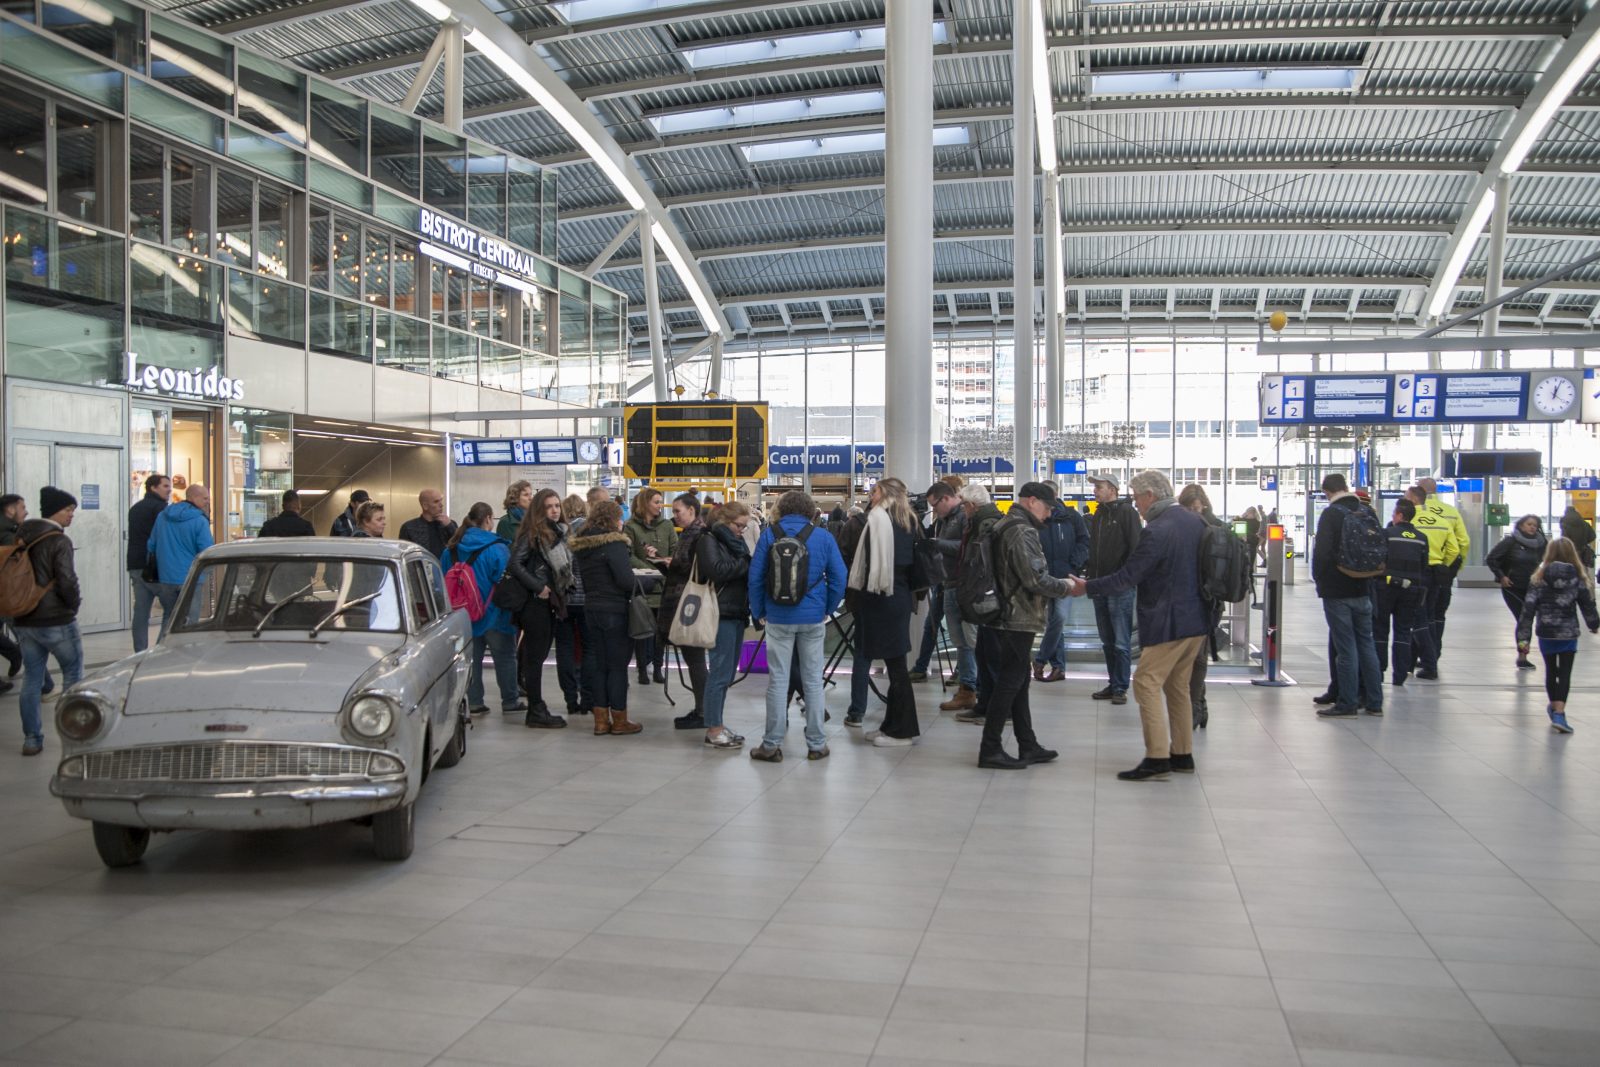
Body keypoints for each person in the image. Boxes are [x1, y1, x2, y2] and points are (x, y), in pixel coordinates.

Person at [1071, 471, 1209, 781]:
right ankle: (1182, 754)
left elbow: (1129, 576)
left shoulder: (1158, 530)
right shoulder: (1195, 521)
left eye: (1136, 499)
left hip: (1168, 620)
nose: (1136, 505)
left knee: (1146, 682)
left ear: (1150, 495)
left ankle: (1157, 758)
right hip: (1197, 619)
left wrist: (1087, 586)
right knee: (1177, 686)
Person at [748, 490, 849, 762]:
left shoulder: (769, 535)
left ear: (781, 509)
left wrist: (759, 611)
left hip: (778, 618)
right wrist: (827, 608)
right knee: (813, 680)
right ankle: (817, 744)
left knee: (778, 681)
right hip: (813, 617)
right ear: (809, 511)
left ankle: (771, 745)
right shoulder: (823, 537)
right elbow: (840, 578)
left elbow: (755, 578)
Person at [977, 483, 1072, 770]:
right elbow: (1034, 579)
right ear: (1032, 501)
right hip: (1017, 615)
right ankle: (990, 748)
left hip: (1005, 613)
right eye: (1048, 507)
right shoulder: (1021, 530)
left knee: (1017, 681)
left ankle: (1027, 744)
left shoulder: (1005, 524)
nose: (1049, 514)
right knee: (1010, 682)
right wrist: (1067, 587)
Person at [851, 477, 922, 747]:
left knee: (897, 667)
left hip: (884, 597)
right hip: (896, 596)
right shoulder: (908, 521)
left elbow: (874, 564)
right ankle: (891, 726)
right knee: (896, 665)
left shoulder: (880, 519)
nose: (871, 495)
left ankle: (902, 731)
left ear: (885, 493)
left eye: (875, 490)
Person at [14, 487, 83, 756]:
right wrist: (73, 605)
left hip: (25, 619)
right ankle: (74, 738)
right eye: (68, 510)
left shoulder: (22, 536)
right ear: (55, 511)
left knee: (31, 680)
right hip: (56, 620)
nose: (71, 515)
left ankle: (32, 739)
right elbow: (67, 580)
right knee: (73, 676)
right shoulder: (58, 540)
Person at [1311, 473, 1383, 718]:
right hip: (1364, 587)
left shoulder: (1331, 514)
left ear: (1327, 492)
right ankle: (1374, 702)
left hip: (1337, 589)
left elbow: (1322, 552)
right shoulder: (1367, 511)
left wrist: (1320, 580)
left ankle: (1347, 702)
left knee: (1346, 648)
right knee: (1367, 645)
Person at [442, 504, 524, 716]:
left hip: (462, 617)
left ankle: (475, 702)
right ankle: (510, 700)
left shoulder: (451, 549)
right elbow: (506, 582)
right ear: (488, 519)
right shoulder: (497, 548)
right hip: (495, 614)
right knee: (505, 658)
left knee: (471, 660)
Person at [570, 499, 642, 736]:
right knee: (617, 667)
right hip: (614, 609)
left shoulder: (582, 545)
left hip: (591, 608)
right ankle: (620, 720)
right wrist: (646, 582)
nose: (622, 522)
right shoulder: (614, 543)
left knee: (600, 666)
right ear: (613, 519)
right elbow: (625, 580)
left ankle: (600, 721)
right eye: (620, 518)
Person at [508, 488, 574, 728]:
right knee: (535, 657)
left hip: (551, 601)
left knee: (539, 654)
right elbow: (514, 564)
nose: (555, 511)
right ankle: (536, 709)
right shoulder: (533, 533)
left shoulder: (559, 533)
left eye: (557, 506)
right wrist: (539, 587)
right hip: (535, 602)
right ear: (539, 510)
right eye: (549, 507)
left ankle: (537, 707)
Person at [1517, 537, 1597, 735]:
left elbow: (1528, 610)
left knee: (1551, 671)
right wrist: (1594, 624)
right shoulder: (1578, 576)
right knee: (1565, 674)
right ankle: (1559, 713)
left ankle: (1554, 707)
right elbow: (1587, 605)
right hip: (1568, 633)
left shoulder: (1538, 577)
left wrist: (1523, 639)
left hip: (1546, 632)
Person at [695, 501, 753, 749]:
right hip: (719, 612)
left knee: (727, 673)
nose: (741, 530)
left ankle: (717, 723)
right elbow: (717, 571)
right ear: (725, 522)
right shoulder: (708, 540)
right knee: (719, 673)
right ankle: (713, 729)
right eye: (739, 525)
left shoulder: (735, 542)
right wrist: (745, 563)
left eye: (744, 527)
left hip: (735, 611)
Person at [1085, 472, 1141, 706]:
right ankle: (1114, 682)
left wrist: (1125, 579)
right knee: (1107, 641)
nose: (1095, 491)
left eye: (1100, 487)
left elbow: (1136, 548)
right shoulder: (1098, 515)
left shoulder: (1127, 513)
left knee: (1120, 641)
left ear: (1113, 489)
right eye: (1096, 487)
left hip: (1119, 588)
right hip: (1100, 585)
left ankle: (1120, 686)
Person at [953, 483, 1006, 724]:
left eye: (964, 505)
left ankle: (996, 709)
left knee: (992, 656)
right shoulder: (979, 524)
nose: (963, 510)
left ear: (972, 505)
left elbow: (986, 565)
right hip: (982, 596)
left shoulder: (988, 525)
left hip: (989, 598)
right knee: (983, 653)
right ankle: (985, 704)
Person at [659, 494, 710, 730]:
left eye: (678, 511)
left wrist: (673, 564)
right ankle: (702, 709)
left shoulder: (697, 535)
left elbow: (694, 568)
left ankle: (704, 711)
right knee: (693, 659)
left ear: (692, 510)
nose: (675, 515)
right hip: (686, 602)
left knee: (695, 659)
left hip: (689, 604)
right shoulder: (691, 533)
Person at [1373, 499, 1435, 687]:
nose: (1392, 517)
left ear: (1400, 515)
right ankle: (1400, 675)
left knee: (1381, 630)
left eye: (1394, 514)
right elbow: (1424, 566)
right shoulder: (1422, 538)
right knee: (1403, 631)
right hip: (1411, 591)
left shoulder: (1387, 534)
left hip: (1386, 588)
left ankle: (1379, 671)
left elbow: (1379, 559)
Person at [1178, 484, 1225, 729]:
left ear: (1204, 505)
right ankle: (1200, 705)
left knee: (1197, 657)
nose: (1193, 512)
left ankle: (1195, 706)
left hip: (1206, 601)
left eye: (1195, 508)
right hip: (1194, 600)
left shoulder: (1212, 528)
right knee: (1194, 656)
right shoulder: (1189, 528)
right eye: (1188, 508)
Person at [1035, 484, 1089, 683]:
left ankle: (1040, 659)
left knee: (1058, 618)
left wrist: (1074, 565)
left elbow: (1084, 541)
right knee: (1053, 623)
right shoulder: (1038, 519)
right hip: (1043, 578)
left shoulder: (1071, 516)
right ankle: (1058, 667)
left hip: (1066, 578)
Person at [1403, 484, 1458, 678]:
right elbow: (1455, 549)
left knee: (1416, 618)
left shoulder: (1408, 520)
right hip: (1435, 573)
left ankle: (1421, 662)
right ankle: (1428, 657)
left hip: (1415, 573)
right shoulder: (1442, 521)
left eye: (1406, 497)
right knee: (1431, 616)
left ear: (1414, 499)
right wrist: (1443, 564)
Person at [623, 487, 677, 685]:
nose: (660, 505)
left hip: (664, 587)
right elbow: (628, 555)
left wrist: (665, 562)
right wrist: (651, 568)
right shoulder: (630, 527)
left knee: (661, 632)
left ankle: (657, 667)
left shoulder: (667, 526)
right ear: (645, 503)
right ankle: (641, 669)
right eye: (656, 501)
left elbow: (675, 549)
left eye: (660, 501)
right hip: (643, 587)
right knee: (642, 630)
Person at [147, 484, 214, 640]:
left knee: (169, 617)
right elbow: (207, 550)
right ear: (194, 497)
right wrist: (207, 572)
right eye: (205, 498)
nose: (207, 501)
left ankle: (162, 649)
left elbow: (151, 545)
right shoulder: (199, 520)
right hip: (191, 578)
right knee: (191, 620)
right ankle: (187, 651)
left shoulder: (162, 516)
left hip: (166, 577)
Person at [1487, 514, 1548, 671]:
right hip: (1513, 587)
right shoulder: (1510, 542)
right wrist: (1502, 576)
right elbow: (1491, 559)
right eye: (1529, 524)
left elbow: (1547, 561)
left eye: (1535, 525)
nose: (1532, 527)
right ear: (1521, 525)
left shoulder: (1541, 543)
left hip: (1532, 587)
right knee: (1523, 619)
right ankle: (1522, 656)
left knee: (1527, 620)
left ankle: (1524, 655)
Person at [1415, 477, 1469, 655]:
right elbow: (1464, 542)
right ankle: (1435, 651)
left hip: (1419, 570)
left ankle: (1420, 653)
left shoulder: (1413, 513)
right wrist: (1451, 569)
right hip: (1443, 571)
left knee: (1420, 613)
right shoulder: (1451, 511)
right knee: (1438, 613)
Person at [909, 481, 956, 683]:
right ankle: (921, 667)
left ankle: (964, 675)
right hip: (941, 579)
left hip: (955, 580)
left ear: (946, 497)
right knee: (931, 626)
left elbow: (965, 547)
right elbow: (926, 537)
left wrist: (939, 544)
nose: (933, 509)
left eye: (935, 505)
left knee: (958, 631)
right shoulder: (941, 521)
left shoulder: (960, 518)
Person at [126, 472, 171, 653]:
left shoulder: (135, 508)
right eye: (165, 486)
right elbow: (163, 537)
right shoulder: (161, 509)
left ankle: (140, 651)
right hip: (155, 565)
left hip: (135, 563)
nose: (169, 490)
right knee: (171, 608)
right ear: (153, 487)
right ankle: (160, 649)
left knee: (141, 611)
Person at [559, 493, 595, 715]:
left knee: (564, 648)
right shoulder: (590, 532)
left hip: (564, 598)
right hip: (587, 598)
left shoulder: (559, 533)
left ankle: (570, 699)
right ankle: (587, 698)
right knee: (590, 648)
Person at [398, 489, 457, 558]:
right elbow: (404, 555)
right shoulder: (409, 528)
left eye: (441, 500)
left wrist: (449, 526)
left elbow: (460, 546)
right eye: (436, 502)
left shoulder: (449, 524)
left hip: (446, 564)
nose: (441, 505)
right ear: (425, 506)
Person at [1561, 505, 1595, 571]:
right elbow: (1593, 536)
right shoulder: (1584, 523)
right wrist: (1584, 542)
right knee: (1582, 571)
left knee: (1570, 571)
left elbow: (1564, 539)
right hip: (1583, 552)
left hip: (1570, 552)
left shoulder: (1565, 524)